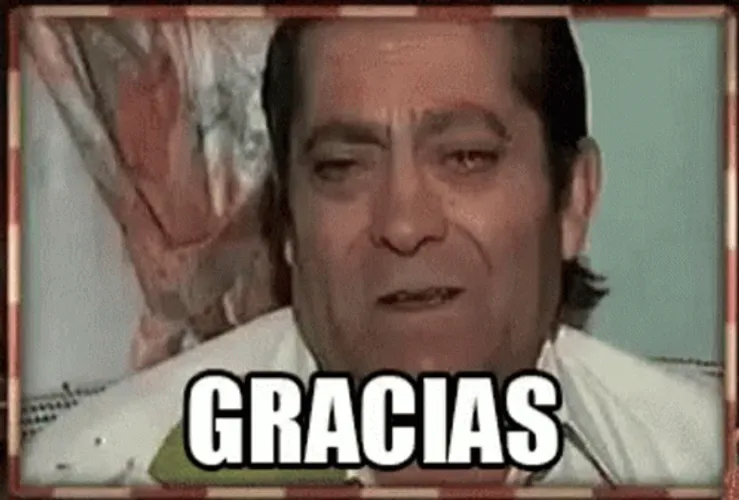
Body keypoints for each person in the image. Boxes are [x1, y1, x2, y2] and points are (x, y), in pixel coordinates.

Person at [22, 17, 721, 487]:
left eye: (467, 157)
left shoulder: (694, 457)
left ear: (572, 201)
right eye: (341, 167)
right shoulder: (101, 469)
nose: (404, 225)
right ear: (288, 222)